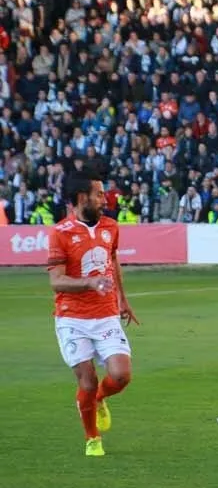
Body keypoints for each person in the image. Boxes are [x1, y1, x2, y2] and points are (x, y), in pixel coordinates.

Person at [47, 172, 140, 456]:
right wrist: (89, 283)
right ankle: (92, 438)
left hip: (106, 314)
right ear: (81, 198)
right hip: (72, 318)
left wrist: (123, 299)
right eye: (99, 194)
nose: (104, 199)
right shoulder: (60, 232)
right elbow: (56, 281)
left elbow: (112, 260)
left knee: (121, 376)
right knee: (86, 381)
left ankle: (99, 398)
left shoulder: (111, 226)